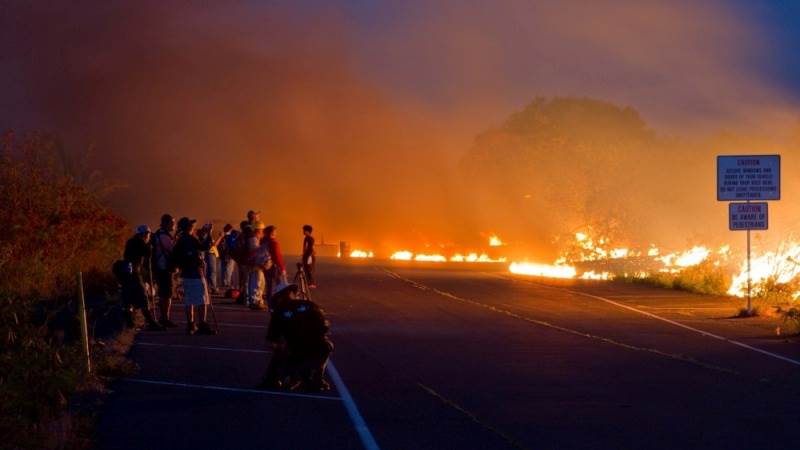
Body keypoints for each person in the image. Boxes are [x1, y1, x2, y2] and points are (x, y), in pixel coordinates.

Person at [258, 283, 332, 391]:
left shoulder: (279, 312)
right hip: (319, 348)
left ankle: (282, 377)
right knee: (327, 345)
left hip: (295, 351)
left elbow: (271, 342)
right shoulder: (310, 305)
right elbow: (325, 325)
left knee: (280, 349)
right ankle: (316, 378)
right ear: (292, 293)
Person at [172, 217, 217, 335]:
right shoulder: (191, 239)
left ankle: (191, 325)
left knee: (189, 300)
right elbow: (205, 247)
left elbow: (175, 255)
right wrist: (209, 234)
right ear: (189, 227)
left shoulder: (180, 240)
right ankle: (202, 324)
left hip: (186, 273)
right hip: (196, 273)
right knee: (202, 299)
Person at [121, 225, 164, 331]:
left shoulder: (131, 241)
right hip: (134, 272)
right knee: (142, 296)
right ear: (145, 234)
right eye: (149, 234)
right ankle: (151, 322)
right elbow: (148, 254)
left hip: (126, 271)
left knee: (129, 297)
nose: (149, 236)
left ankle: (129, 321)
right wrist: (150, 245)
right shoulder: (140, 242)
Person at [151, 214, 178, 327]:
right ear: (167, 224)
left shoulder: (158, 234)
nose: (174, 225)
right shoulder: (164, 237)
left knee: (164, 293)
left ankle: (164, 317)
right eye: (172, 223)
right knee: (166, 294)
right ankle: (164, 318)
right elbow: (173, 250)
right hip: (165, 268)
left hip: (160, 267)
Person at [247, 221, 269, 310]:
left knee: (260, 283)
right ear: (258, 230)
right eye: (262, 230)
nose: (263, 232)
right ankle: (255, 301)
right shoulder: (253, 239)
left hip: (257, 264)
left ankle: (258, 301)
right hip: (256, 265)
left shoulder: (255, 239)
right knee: (257, 283)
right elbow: (256, 252)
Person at [197, 224, 224, 295]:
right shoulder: (205, 235)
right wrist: (220, 237)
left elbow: (214, 244)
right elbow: (213, 244)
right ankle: (213, 288)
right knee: (212, 272)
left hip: (212, 254)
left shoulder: (207, 235)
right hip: (210, 254)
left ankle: (210, 287)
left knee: (211, 272)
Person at [265, 225, 286, 301]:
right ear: (272, 232)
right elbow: (277, 256)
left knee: (269, 284)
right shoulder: (274, 243)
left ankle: (269, 299)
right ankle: (280, 300)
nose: (276, 233)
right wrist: (282, 268)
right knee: (280, 284)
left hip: (267, 265)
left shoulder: (264, 241)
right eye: (275, 231)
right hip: (275, 266)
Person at [219, 224, 238, 289]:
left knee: (224, 269)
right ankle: (227, 283)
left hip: (223, 255)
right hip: (229, 255)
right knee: (229, 270)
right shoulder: (231, 236)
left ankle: (224, 283)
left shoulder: (222, 236)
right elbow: (232, 246)